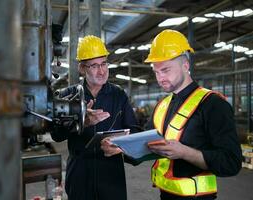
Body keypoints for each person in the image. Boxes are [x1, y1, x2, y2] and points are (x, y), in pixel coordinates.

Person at [101, 29, 242, 200]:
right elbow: (146, 147)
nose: (160, 78)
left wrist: (184, 152)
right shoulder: (163, 105)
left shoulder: (213, 104)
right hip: (165, 196)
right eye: (156, 72)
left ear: (185, 65)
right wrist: (121, 149)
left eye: (166, 70)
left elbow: (231, 163)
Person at [50, 35, 138, 200]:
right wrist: (80, 122)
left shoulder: (118, 95)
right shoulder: (67, 96)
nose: (102, 70)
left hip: (111, 171)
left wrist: (121, 145)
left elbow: (134, 129)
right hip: (80, 172)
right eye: (94, 66)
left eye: (104, 63)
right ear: (82, 68)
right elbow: (56, 134)